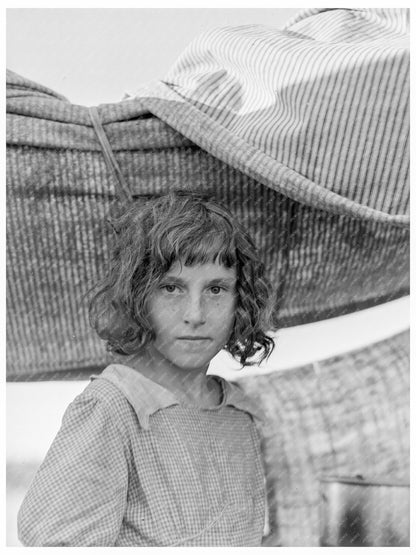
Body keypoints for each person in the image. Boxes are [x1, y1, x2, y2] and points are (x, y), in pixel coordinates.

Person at [17, 190, 276, 546]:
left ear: (240, 301)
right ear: (137, 298)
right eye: (172, 288)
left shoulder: (238, 415)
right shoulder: (113, 409)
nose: (195, 315)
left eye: (216, 289)